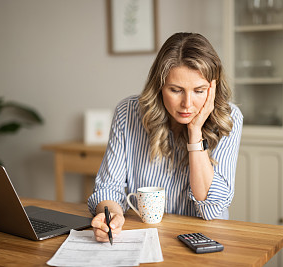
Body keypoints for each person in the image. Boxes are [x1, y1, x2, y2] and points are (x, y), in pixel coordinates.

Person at [87, 32, 243, 243]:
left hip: (203, 242)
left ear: (212, 89)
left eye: (199, 90)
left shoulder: (229, 118)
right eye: (176, 90)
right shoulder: (128, 113)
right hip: (146, 237)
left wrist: (195, 132)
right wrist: (112, 215)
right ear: (159, 86)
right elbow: (108, 188)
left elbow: (212, 208)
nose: (187, 104)